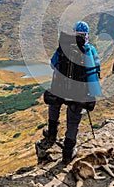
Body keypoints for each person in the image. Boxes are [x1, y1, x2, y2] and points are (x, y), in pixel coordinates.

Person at [43, 21, 101, 164]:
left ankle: (51, 135)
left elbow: (52, 64)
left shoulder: (63, 47)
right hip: (78, 93)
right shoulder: (89, 50)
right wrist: (93, 94)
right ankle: (68, 153)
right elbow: (93, 72)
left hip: (59, 89)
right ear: (87, 34)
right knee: (73, 120)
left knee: (54, 107)